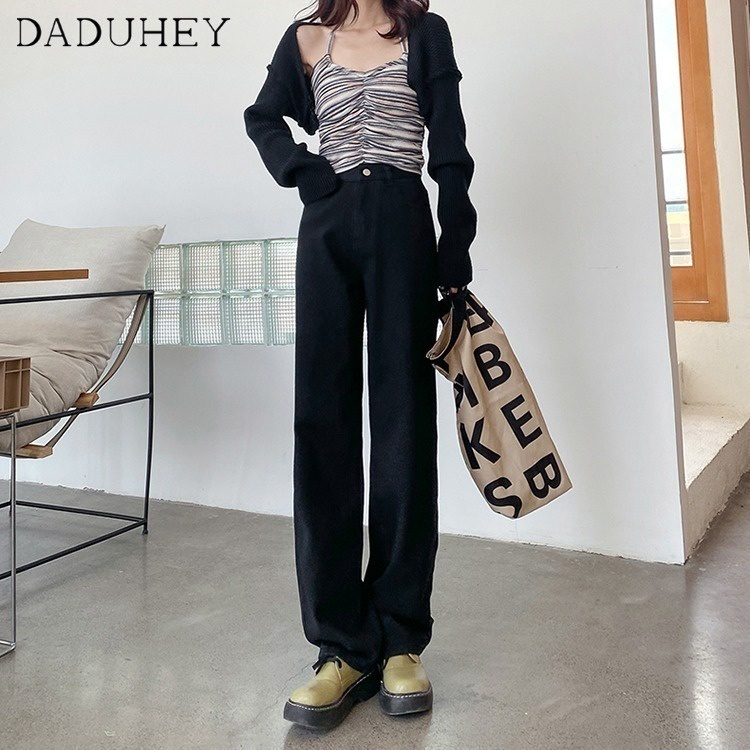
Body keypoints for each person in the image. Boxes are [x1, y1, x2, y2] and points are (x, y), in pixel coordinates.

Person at [243, 0, 477, 730]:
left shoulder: (424, 33)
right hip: (327, 225)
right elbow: (262, 117)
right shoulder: (305, 38)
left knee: (403, 424)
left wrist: (455, 245)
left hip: (404, 219)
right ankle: (341, 648)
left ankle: (400, 638)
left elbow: (450, 144)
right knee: (322, 424)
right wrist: (302, 171)